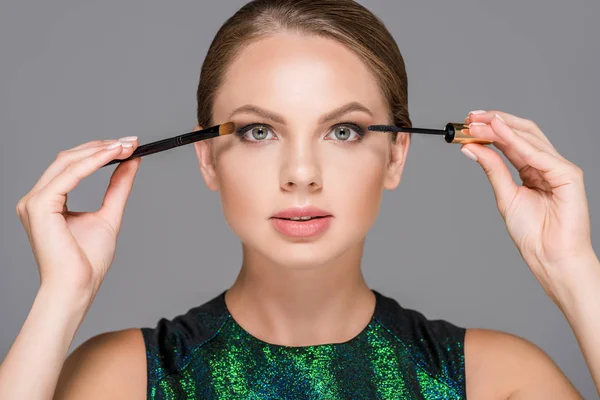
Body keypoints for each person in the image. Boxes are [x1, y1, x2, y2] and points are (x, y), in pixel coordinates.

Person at [1, 0, 598, 398]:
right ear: (206, 157)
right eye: (259, 131)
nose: (302, 173)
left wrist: (574, 272)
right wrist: (61, 297)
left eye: (344, 131)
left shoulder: (500, 382)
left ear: (396, 155)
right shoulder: (121, 378)